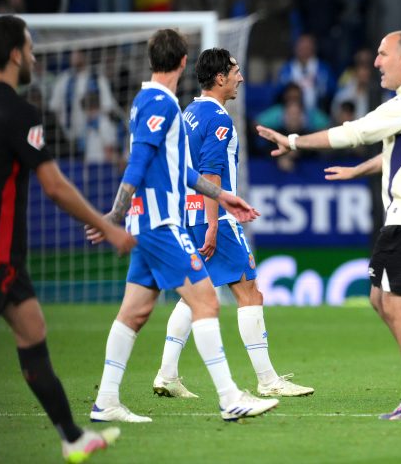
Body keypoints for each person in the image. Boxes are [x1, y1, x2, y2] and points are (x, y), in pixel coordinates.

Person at [257, 31, 401, 420]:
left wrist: (294, 141)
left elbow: (353, 132)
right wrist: (360, 169)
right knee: (379, 298)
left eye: (382, 54)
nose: (377, 62)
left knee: (398, 305)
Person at [88, 29, 277, 423]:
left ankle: (106, 400)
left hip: (148, 223)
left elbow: (182, 170)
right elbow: (138, 162)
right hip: (159, 224)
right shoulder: (161, 103)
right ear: (183, 62)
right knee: (206, 301)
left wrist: (221, 195)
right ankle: (230, 398)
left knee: (134, 314)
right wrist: (112, 216)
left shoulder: (153, 103)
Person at [0, 15, 132, 462]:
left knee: (33, 330)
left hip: (6, 262)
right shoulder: (20, 113)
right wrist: (108, 226)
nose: (33, 56)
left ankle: (71, 436)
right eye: (30, 48)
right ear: (15, 54)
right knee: (31, 334)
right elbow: (54, 186)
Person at [153, 48, 313, 400]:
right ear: (220, 78)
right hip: (216, 217)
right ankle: (268, 379)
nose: (241, 77)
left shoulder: (189, 112)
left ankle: (166, 373)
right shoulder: (219, 119)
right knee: (250, 292)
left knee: (197, 293)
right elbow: (210, 173)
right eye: (236, 71)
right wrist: (213, 223)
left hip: (187, 212)